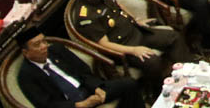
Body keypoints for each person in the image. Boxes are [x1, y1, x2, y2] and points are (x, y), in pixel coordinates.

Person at [70, 0, 190, 92]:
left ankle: (186, 74)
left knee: (174, 36)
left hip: (136, 31)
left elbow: (118, 6)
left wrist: (135, 20)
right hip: (123, 47)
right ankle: (160, 90)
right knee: (152, 61)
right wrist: (133, 50)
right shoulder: (85, 16)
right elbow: (104, 44)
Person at [17, 27, 146, 108]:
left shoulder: (56, 50)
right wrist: (79, 105)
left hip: (88, 90)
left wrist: (96, 88)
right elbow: (46, 104)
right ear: (25, 52)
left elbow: (83, 72)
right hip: (71, 104)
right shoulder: (26, 75)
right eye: (37, 45)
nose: (44, 46)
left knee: (129, 84)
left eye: (44, 41)